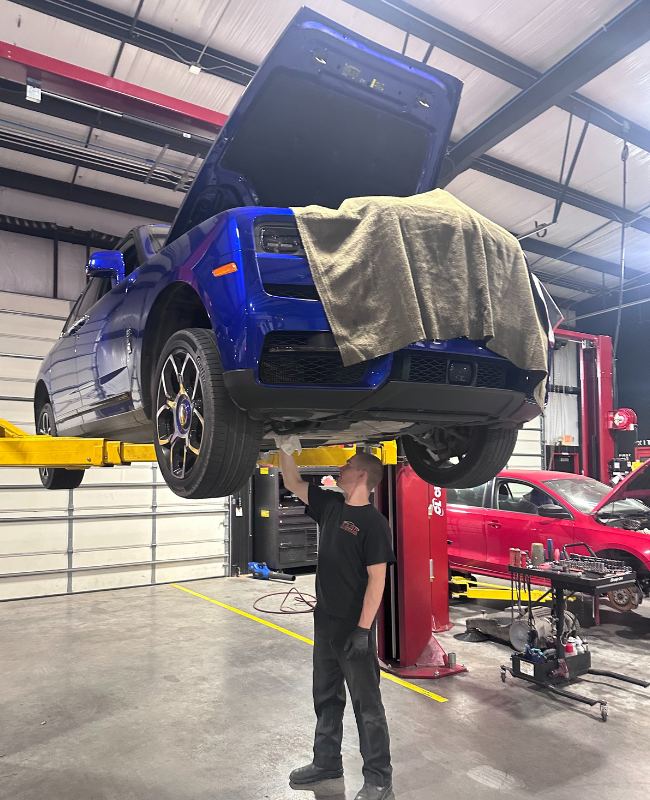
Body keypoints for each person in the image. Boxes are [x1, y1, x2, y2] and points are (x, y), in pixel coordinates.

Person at [279, 445, 396, 800]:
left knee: (367, 706)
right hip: (325, 622)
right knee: (326, 696)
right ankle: (326, 763)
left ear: (362, 475)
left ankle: (379, 779)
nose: (340, 467)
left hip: (353, 629)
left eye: (348, 464)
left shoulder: (374, 523)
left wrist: (363, 630)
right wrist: (285, 447)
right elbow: (292, 481)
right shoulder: (330, 504)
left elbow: (377, 580)